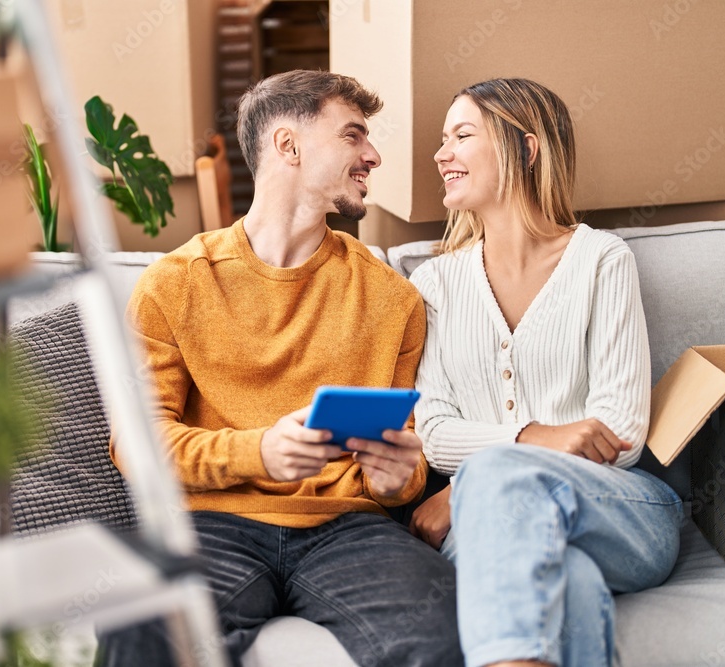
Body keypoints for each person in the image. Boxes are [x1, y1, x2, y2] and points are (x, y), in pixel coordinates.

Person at [99, 70, 463, 667]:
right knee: (140, 625)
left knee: (443, 628)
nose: (373, 155)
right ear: (287, 146)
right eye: (352, 136)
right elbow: (136, 446)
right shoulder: (175, 283)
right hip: (209, 522)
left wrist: (400, 476)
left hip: (349, 530)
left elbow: (406, 465)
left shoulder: (393, 298)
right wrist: (258, 453)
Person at [407, 78, 683, 667]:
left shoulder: (602, 261)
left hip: (622, 513)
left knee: (504, 483)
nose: (440, 154)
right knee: (572, 581)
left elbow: (620, 434)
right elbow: (433, 432)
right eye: (443, 138)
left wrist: (471, 484)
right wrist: (537, 438)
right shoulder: (433, 284)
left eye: (461, 135)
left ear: (526, 149)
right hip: (491, 531)